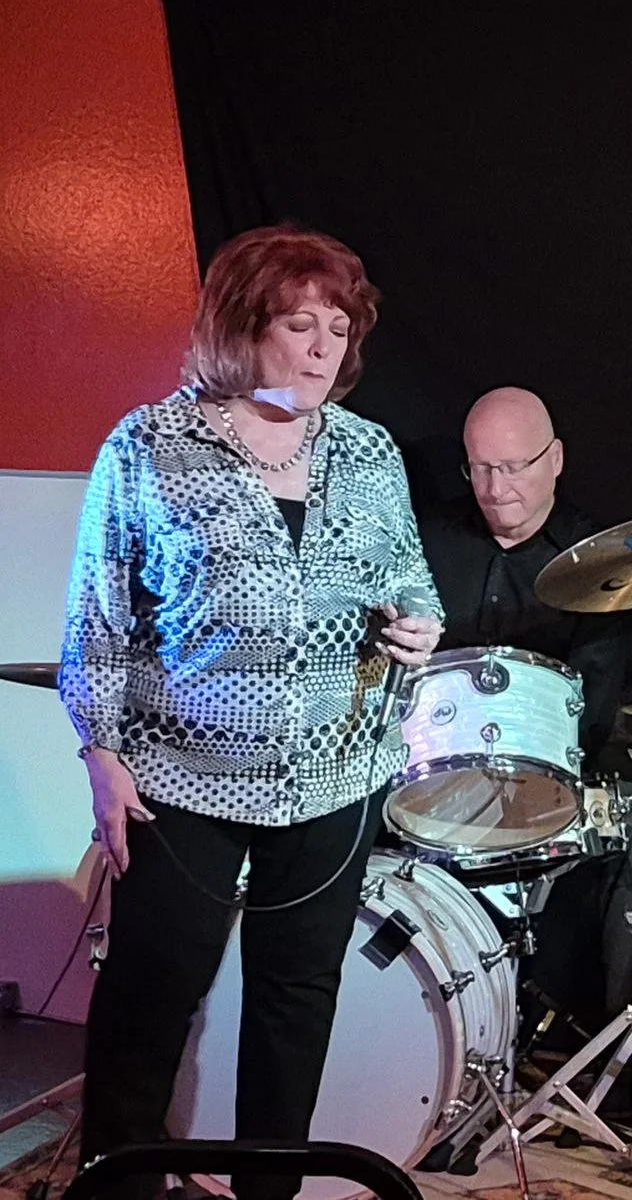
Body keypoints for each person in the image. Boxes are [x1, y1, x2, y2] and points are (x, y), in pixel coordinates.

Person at [61, 224, 443, 1199]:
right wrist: (100, 753)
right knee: (149, 997)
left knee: (295, 1000)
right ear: (242, 326)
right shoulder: (150, 445)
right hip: (180, 777)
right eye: (299, 325)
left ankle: (269, 1193)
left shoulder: (368, 450)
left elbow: (410, 577)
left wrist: (419, 622)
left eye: (338, 330)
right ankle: (118, 1190)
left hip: (335, 772)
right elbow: (97, 619)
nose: (323, 349)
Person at [417, 386, 632, 1032]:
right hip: (432, 769)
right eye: (480, 468)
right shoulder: (429, 539)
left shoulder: (597, 558)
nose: (495, 489)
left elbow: (593, 704)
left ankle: (619, 1042)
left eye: (513, 467)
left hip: (555, 770)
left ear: (555, 459)